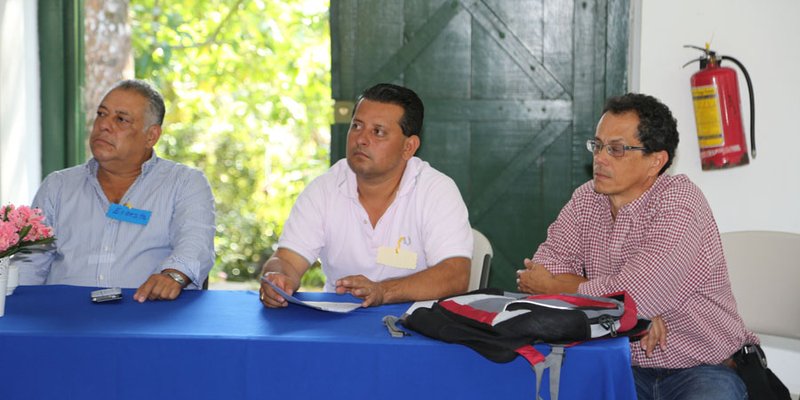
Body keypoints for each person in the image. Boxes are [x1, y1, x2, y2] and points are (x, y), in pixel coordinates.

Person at [516, 93, 758, 399]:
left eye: (616, 149)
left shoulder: (679, 201)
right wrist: (626, 310)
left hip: (703, 369)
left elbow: (636, 298)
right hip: (620, 363)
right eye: (598, 145)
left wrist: (630, 312)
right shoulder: (586, 200)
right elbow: (539, 276)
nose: (600, 158)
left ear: (655, 161)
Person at [259, 83, 472, 308]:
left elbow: (455, 275)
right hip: (339, 324)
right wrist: (277, 278)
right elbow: (286, 261)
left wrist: (382, 291)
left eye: (377, 132)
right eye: (357, 126)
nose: (361, 139)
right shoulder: (325, 189)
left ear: (408, 147)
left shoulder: (435, 191)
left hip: (417, 325)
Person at [17, 79, 215, 302]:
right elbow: (29, 263)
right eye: (102, 114)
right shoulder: (58, 185)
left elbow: (196, 243)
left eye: (121, 119)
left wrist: (173, 275)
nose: (104, 125)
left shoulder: (184, 182)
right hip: (64, 319)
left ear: (151, 136)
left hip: (147, 315)